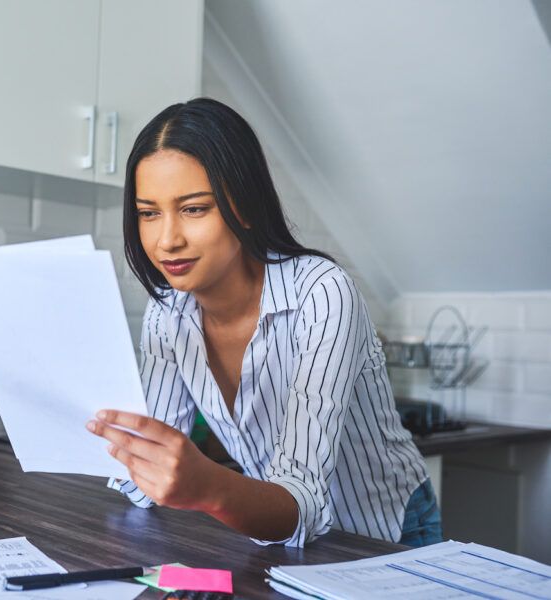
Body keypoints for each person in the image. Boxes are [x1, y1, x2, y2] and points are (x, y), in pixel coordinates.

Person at [85, 98, 442, 548]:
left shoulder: (321, 293)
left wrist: (207, 484)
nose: (167, 240)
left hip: (384, 530)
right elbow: (145, 479)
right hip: (272, 531)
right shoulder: (167, 315)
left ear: (247, 205)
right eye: (148, 213)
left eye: (194, 208)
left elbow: (302, 498)